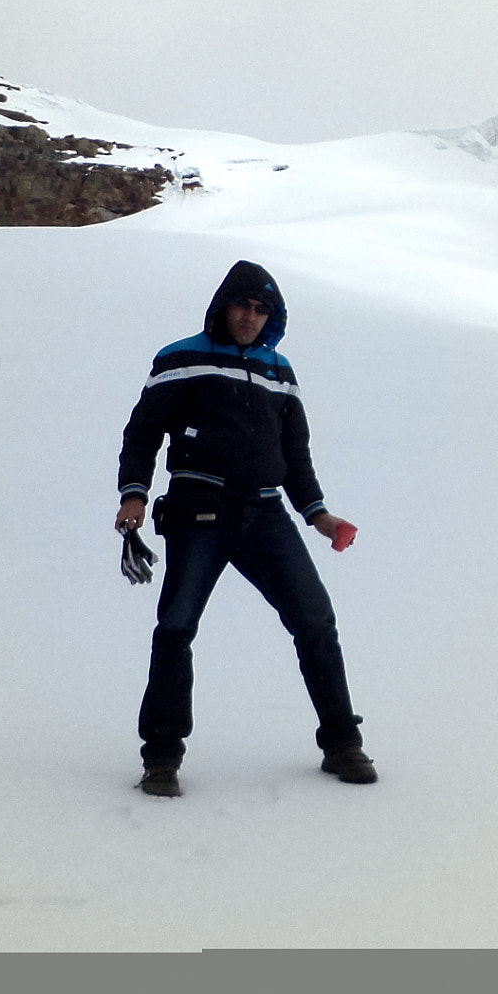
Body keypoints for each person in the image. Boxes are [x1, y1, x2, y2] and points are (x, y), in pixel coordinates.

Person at [114, 259, 375, 796]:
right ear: (222, 306)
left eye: (262, 310)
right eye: (243, 305)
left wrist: (319, 515)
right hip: (197, 511)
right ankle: (161, 758)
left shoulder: (280, 371)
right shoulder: (180, 358)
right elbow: (142, 433)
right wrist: (134, 493)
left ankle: (342, 744)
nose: (251, 317)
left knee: (315, 622)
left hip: (266, 515)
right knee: (175, 629)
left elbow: (295, 455)